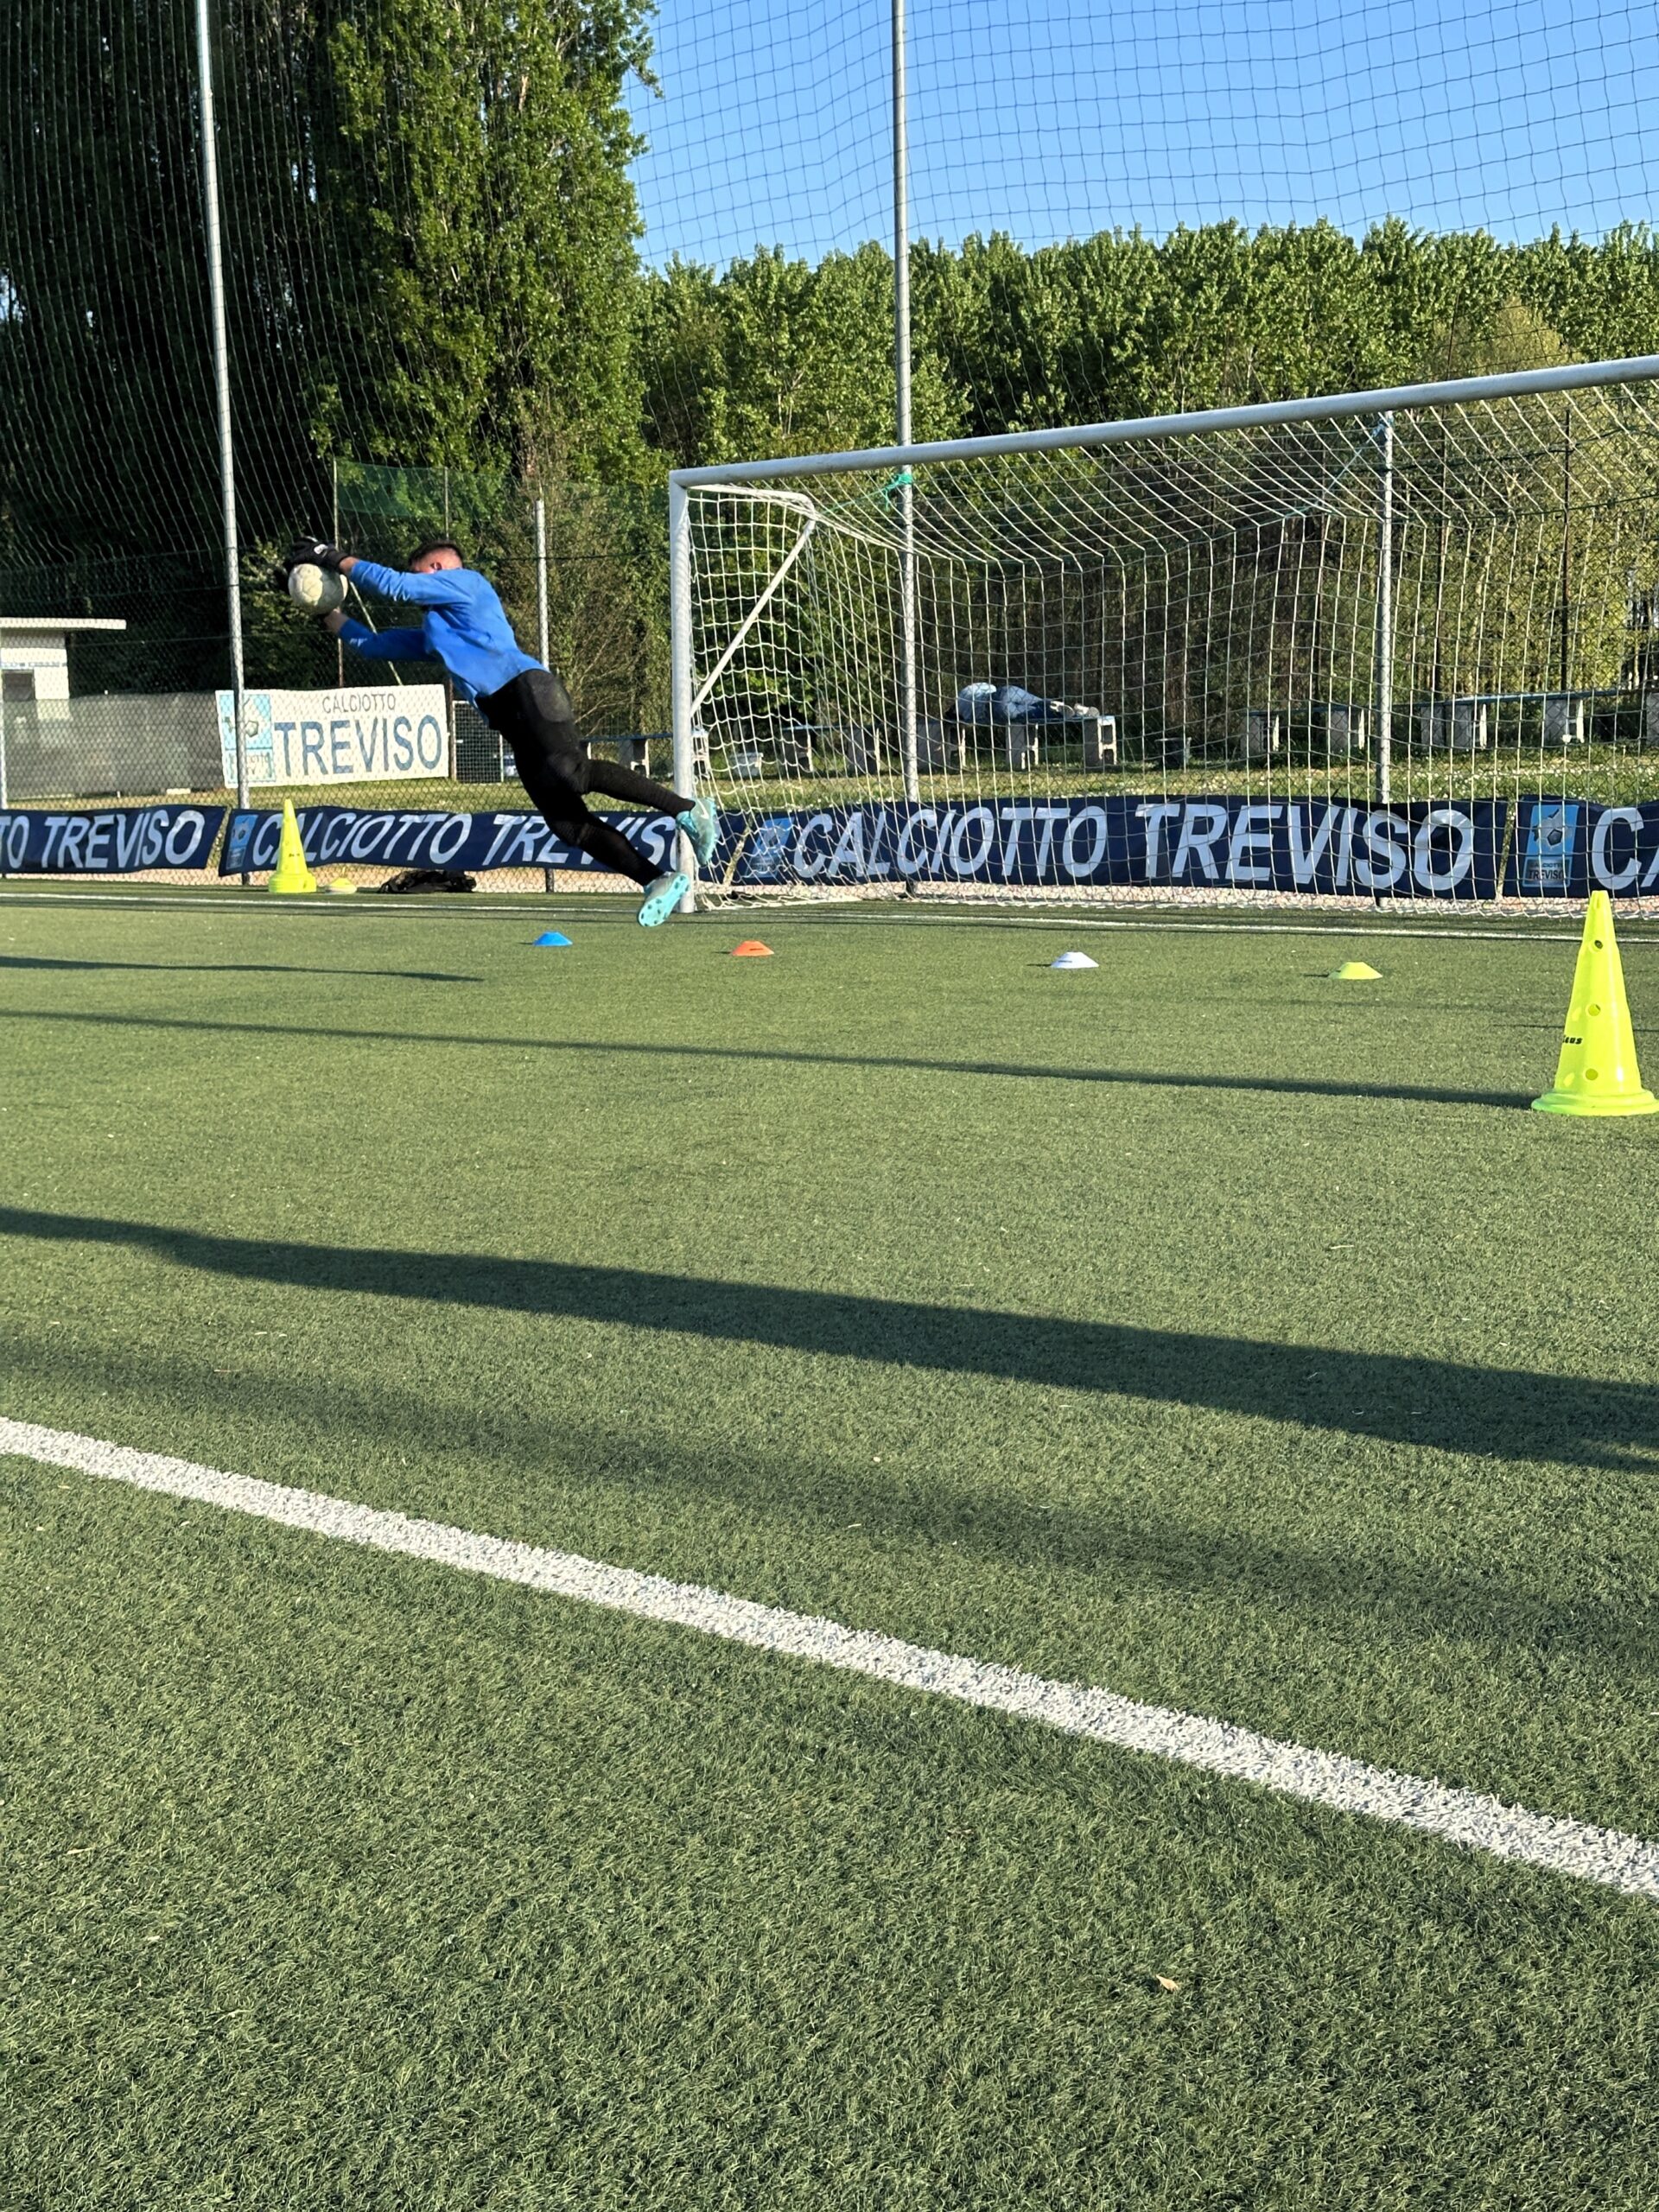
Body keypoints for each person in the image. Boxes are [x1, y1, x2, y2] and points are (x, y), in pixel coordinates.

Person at [279, 536, 716, 925]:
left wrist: (330, 556)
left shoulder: (467, 583)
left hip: (526, 689)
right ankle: (655, 879)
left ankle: (686, 809)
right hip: (510, 718)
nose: (418, 584)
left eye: (421, 573)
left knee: (572, 772)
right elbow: (374, 646)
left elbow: (397, 587)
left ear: (438, 568)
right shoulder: (438, 630)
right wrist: (321, 609)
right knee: (567, 824)